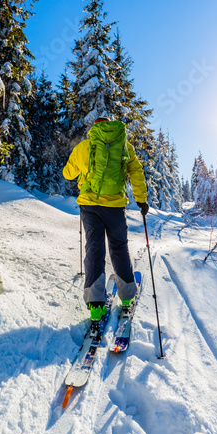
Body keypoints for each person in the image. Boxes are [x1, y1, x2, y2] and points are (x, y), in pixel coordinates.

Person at [63, 117, 149, 321]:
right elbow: (136, 172)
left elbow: (68, 174)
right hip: (115, 206)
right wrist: (141, 200)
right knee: (119, 247)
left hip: (90, 206)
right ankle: (127, 297)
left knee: (94, 249)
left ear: (94, 129)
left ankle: (95, 307)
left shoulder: (84, 146)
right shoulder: (124, 145)